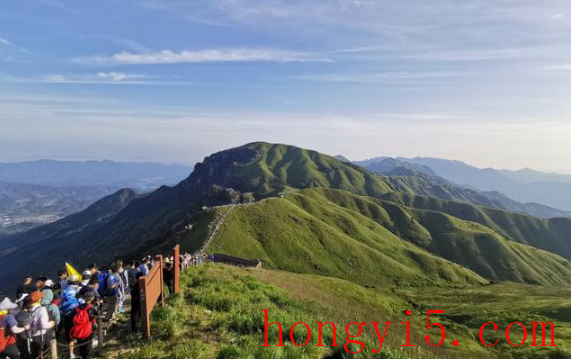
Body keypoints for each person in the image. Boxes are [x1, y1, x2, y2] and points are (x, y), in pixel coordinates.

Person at [67, 292, 98, 359]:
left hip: (78, 330)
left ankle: (82, 356)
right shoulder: (91, 308)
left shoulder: (76, 308)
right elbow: (94, 319)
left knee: (81, 347)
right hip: (88, 330)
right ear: (92, 298)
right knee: (88, 347)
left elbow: (71, 319)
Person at [27, 291, 55, 358]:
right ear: (39, 299)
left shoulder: (28, 308)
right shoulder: (42, 309)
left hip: (32, 335)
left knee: (37, 354)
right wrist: (52, 323)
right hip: (41, 336)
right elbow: (44, 325)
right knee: (44, 353)